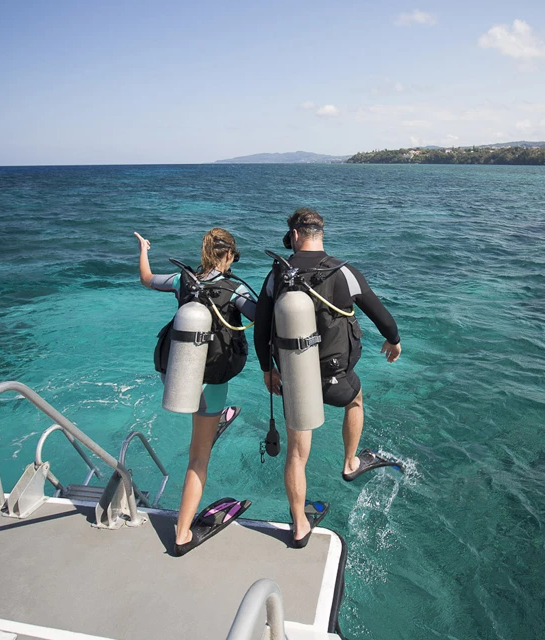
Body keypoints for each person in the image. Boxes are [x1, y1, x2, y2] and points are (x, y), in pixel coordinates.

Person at [253, 208, 401, 547]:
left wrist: (267, 369)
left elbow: (261, 330)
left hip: (294, 378)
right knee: (356, 400)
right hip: (336, 378)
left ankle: (300, 526)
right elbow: (381, 316)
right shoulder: (344, 272)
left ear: (293, 236)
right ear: (321, 234)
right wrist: (393, 340)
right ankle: (350, 463)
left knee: (296, 453)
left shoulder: (277, 276)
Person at [134, 228, 256, 556]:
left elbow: (147, 279)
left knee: (201, 425)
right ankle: (183, 534)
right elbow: (266, 317)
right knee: (198, 457)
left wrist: (144, 248)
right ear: (229, 255)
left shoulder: (182, 280)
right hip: (210, 387)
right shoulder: (236, 288)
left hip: (175, 377)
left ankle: (210, 425)